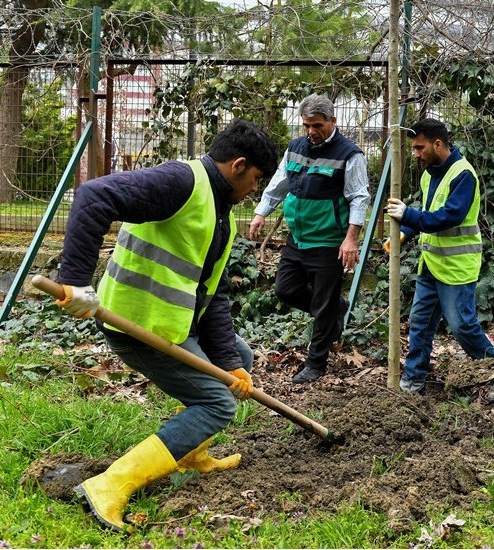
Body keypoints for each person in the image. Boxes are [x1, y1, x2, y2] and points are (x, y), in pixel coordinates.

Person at [55, 119, 278, 531]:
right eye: (256, 180)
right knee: (217, 404)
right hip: (136, 325)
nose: (255, 192)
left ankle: (191, 452)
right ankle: (110, 486)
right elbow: (93, 195)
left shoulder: (218, 208)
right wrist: (76, 281)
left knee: (240, 356)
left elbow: (214, 295)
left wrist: (230, 361)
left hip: (170, 324)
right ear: (239, 165)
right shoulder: (182, 183)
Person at [383, 118, 494, 400]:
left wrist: (408, 216)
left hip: (456, 267)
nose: (415, 153)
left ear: (437, 144)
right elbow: (428, 210)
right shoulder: (430, 174)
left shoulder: (463, 174)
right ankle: (414, 378)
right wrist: (404, 231)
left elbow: (447, 217)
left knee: (462, 325)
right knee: (420, 322)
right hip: (431, 264)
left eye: (419, 147)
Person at [248, 94, 370, 383]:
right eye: (306, 126)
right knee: (285, 290)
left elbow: (359, 198)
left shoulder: (349, 155)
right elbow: (279, 183)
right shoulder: (296, 147)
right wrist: (261, 213)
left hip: (329, 241)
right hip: (298, 237)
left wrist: (351, 239)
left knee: (324, 305)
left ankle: (316, 363)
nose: (311, 132)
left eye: (317, 125)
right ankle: (335, 311)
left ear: (332, 121)